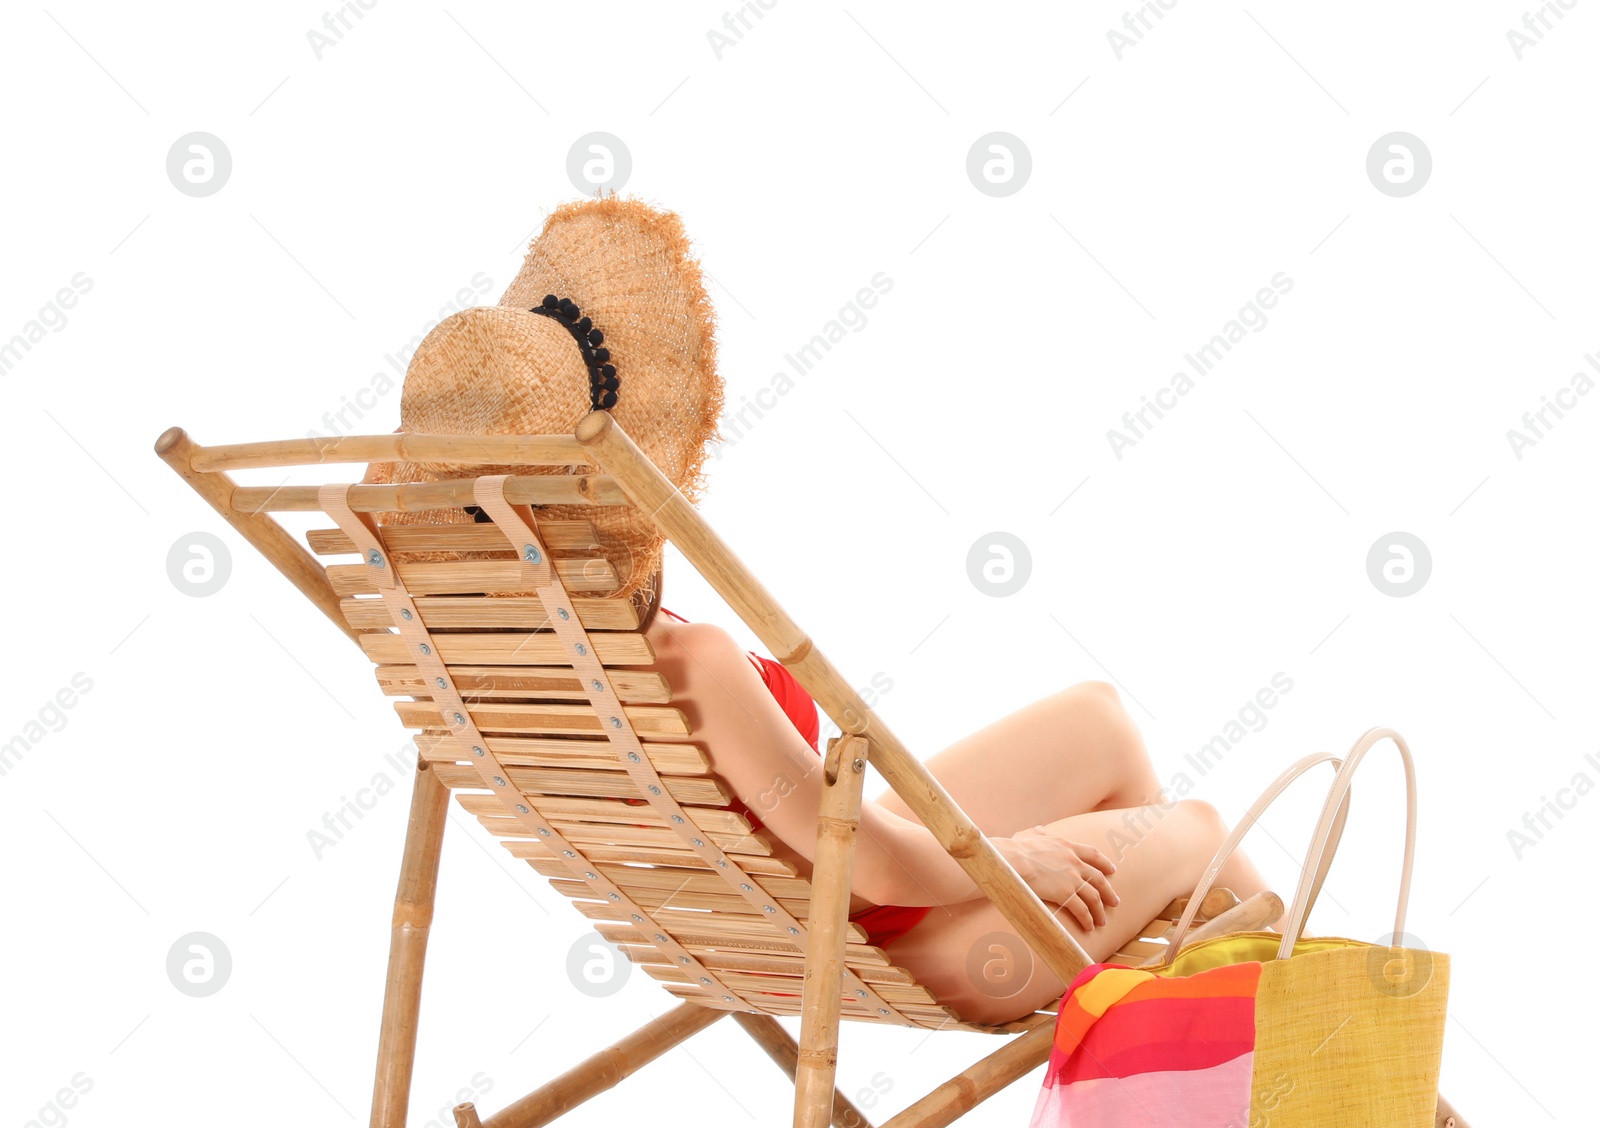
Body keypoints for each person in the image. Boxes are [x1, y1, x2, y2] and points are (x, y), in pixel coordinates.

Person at [365, 193, 1267, 1026]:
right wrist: (1011, 860)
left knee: (1096, 720)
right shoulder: (693, 667)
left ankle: (1167, 1060)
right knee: (1194, 833)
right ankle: (1310, 1046)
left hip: (812, 919)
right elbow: (868, 864)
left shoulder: (478, 656)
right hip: (895, 947)